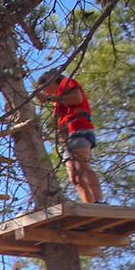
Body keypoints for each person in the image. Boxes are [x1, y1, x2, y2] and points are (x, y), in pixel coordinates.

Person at [36, 68, 103, 204]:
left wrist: (49, 98)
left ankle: (98, 201)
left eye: (45, 88)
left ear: (52, 81)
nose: (45, 92)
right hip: (69, 138)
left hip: (79, 129)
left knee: (83, 166)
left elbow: (77, 98)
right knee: (75, 176)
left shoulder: (66, 83)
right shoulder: (57, 103)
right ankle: (89, 205)